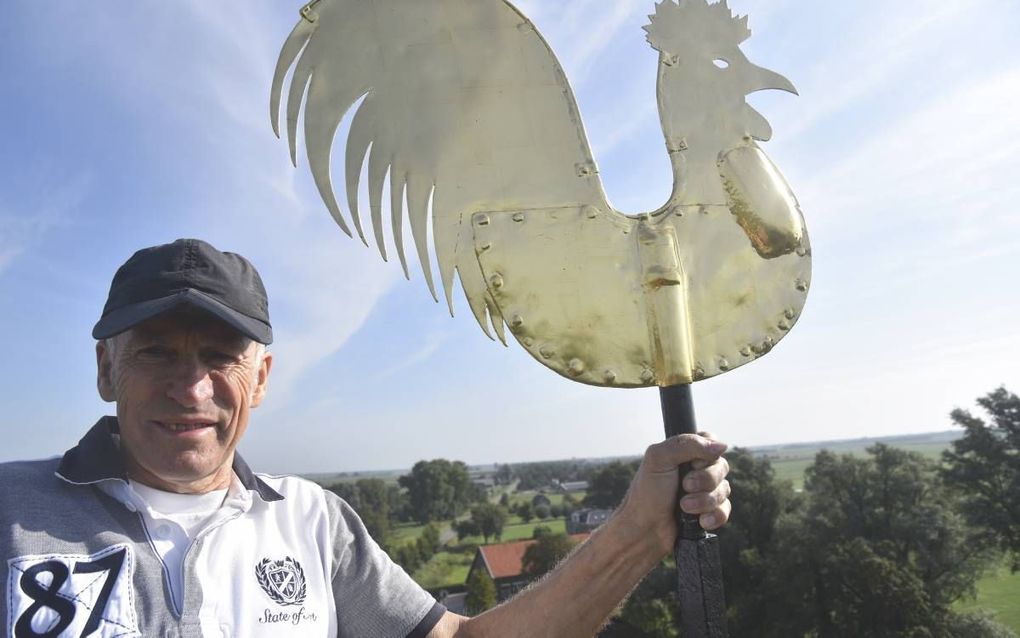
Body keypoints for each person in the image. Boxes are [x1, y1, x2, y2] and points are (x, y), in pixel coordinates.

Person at [0, 238, 731, 637]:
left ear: (259, 380)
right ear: (106, 369)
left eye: (220, 356)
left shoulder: (314, 524)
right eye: (156, 350)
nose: (191, 388)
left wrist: (638, 531)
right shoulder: (11, 514)